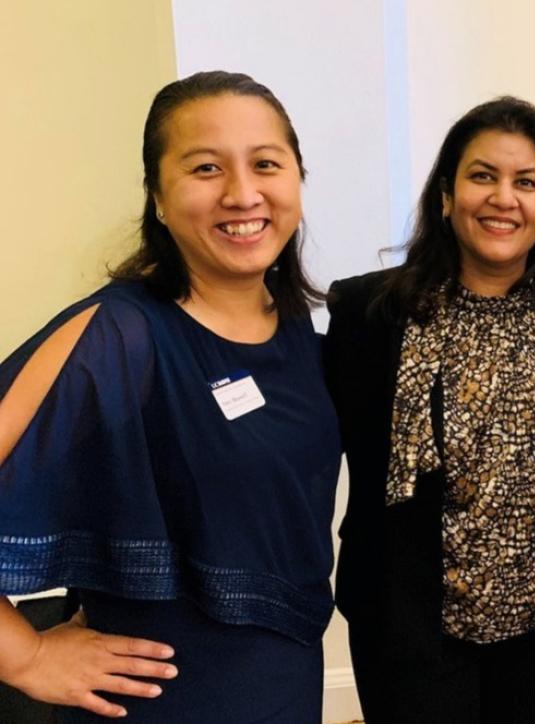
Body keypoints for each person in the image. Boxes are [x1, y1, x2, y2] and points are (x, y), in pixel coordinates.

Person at [0, 71, 340, 723]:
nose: (243, 194)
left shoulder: (300, 330)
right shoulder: (122, 336)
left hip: (284, 677)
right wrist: (27, 657)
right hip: (166, 695)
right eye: (205, 168)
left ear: (297, 178)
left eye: (265, 164)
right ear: (158, 195)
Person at [324, 96, 535, 724]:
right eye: (483, 176)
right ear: (447, 196)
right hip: (408, 622)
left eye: (526, 182)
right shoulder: (370, 315)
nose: (504, 198)